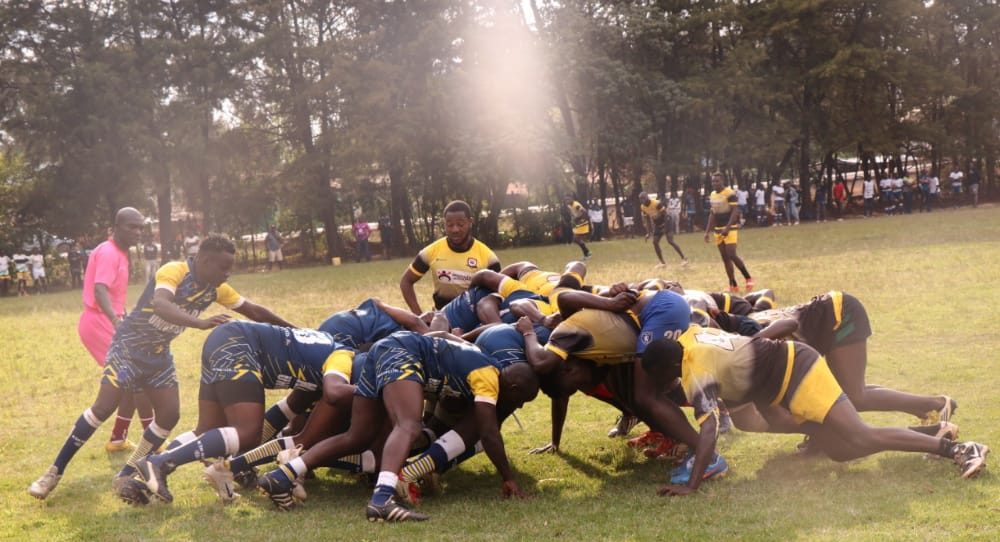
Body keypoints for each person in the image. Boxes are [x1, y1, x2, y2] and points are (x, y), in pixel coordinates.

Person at [28, 234, 294, 501]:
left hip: (158, 358)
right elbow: (161, 304)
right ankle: (53, 472)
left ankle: (127, 473)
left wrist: (295, 332)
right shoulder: (174, 270)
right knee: (104, 407)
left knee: (169, 415)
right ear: (204, 260)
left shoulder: (216, 288)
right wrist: (199, 323)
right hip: (128, 351)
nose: (228, 274)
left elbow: (254, 311)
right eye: (223, 268)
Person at [642, 326, 989, 498]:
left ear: (669, 366)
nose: (660, 384)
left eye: (657, 376)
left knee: (859, 435)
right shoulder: (688, 337)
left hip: (798, 370)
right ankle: (932, 434)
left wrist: (692, 485)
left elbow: (709, 430)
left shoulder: (694, 371)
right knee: (840, 449)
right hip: (781, 384)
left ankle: (960, 449)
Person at [256, 331, 537, 521]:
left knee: (357, 436)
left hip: (385, 351)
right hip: (402, 353)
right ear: (513, 386)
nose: (520, 406)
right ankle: (382, 500)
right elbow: (488, 432)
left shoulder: (484, 366)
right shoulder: (487, 377)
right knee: (409, 426)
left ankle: (281, 476)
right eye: (522, 399)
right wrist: (508, 478)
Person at [130, 323, 356, 504]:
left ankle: (140, 476)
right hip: (240, 345)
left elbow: (284, 411)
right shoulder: (344, 357)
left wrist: (236, 464)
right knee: (247, 433)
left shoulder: (327, 358)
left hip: (227, 339)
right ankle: (159, 462)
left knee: (207, 429)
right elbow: (327, 397)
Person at [748, 291, 956, 423]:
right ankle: (923, 407)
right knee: (843, 394)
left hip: (841, 315)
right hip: (832, 316)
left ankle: (936, 404)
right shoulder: (746, 322)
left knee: (853, 397)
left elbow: (787, 325)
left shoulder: (746, 337)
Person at [399, 200, 501, 313]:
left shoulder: (489, 258)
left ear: (470, 222)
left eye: (460, 224)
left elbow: (498, 293)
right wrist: (419, 316)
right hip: (441, 317)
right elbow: (406, 281)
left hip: (475, 318)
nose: (455, 229)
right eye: (450, 225)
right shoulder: (431, 251)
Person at [705, 173, 753, 293]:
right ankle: (733, 284)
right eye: (713, 181)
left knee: (731, 254)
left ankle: (748, 278)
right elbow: (712, 214)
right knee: (725, 258)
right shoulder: (712, 195)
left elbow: (735, 211)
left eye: (717, 181)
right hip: (718, 230)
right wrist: (707, 231)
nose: (715, 183)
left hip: (730, 229)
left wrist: (727, 227)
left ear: (722, 181)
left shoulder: (730, 193)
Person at [639, 192, 688, 268]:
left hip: (667, 222)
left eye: (643, 198)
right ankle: (662, 263)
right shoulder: (643, 207)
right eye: (641, 199)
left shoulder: (656, 203)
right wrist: (648, 232)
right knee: (655, 242)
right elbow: (647, 220)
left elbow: (666, 215)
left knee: (670, 241)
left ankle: (684, 258)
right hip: (658, 225)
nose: (642, 200)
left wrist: (665, 227)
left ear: (647, 197)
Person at [564, 194, 592, 259]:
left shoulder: (576, 205)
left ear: (572, 199)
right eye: (566, 200)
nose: (567, 201)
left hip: (583, 222)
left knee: (576, 239)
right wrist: (573, 220)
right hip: (578, 223)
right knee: (576, 239)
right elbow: (574, 213)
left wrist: (578, 219)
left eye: (568, 199)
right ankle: (587, 253)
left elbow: (585, 212)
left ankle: (587, 253)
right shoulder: (569, 205)